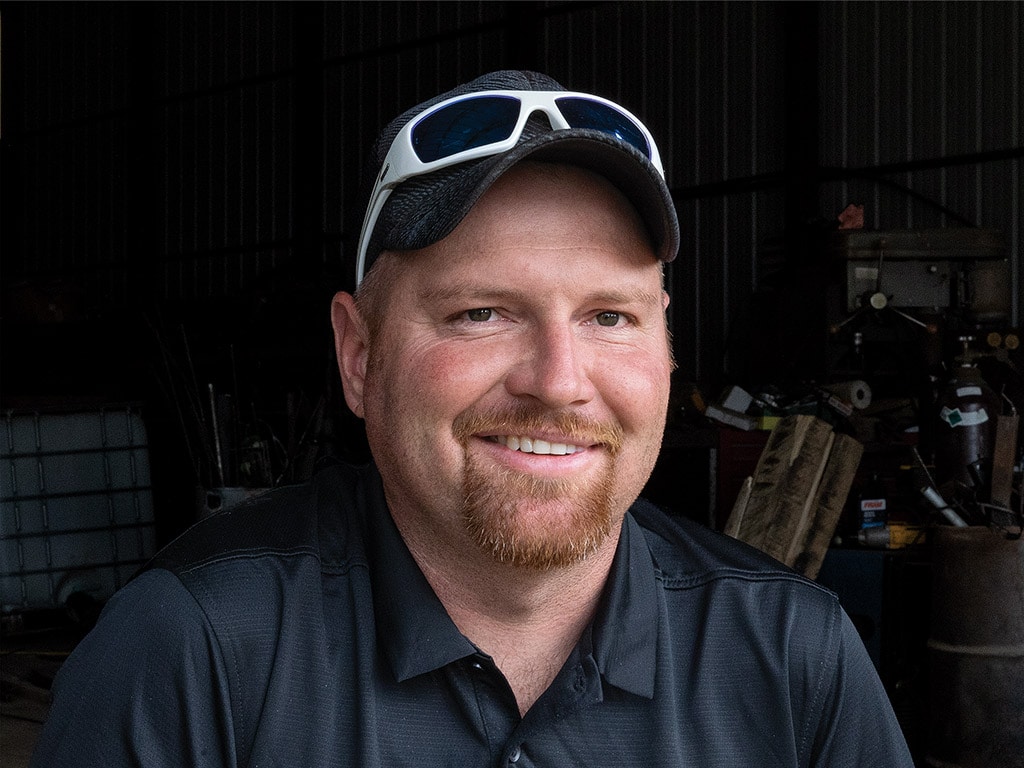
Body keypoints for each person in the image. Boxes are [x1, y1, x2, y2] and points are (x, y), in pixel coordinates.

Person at [32, 70, 914, 767]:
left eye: (610, 316)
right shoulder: (192, 652)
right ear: (358, 354)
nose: (559, 383)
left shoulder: (795, 659)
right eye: (481, 313)